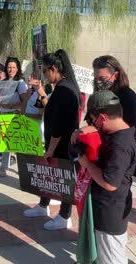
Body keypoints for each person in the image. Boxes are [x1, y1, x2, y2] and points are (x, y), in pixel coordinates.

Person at [77, 90, 136, 264]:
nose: (92, 124)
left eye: (94, 120)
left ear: (103, 117)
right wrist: (79, 131)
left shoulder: (120, 145)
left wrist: (87, 164)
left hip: (110, 214)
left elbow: (110, 183)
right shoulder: (118, 133)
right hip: (108, 209)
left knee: (112, 258)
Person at [23, 49, 81, 230]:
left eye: (46, 71)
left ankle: (64, 217)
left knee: (63, 180)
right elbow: (51, 110)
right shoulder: (64, 87)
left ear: (54, 68)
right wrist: (41, 92)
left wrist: (50, 150)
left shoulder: (64, 89)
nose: (45, 75)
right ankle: (43, 206)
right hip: (58, 144)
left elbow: (59, 125)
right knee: (49, 177)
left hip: (61, 145)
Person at [71, 56, 136, 145]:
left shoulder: (129, 98)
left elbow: (127, 132)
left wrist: (88, 130)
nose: (98, 82)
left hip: (118, 150)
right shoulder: (98, 95)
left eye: (102, 78)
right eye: (96, 78)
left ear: (115, 75)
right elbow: (91, 122)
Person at [0, 57, 29, 177]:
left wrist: (11, 106)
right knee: (4, 144)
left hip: (14, 115)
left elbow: (25, 101)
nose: (11, 69)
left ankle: (23, 171)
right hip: (3, 114)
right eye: (9, 67)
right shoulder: (3, 82)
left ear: (17, 69)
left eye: (13, 67)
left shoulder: (21, 83)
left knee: (17, 145)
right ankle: (3, 169)